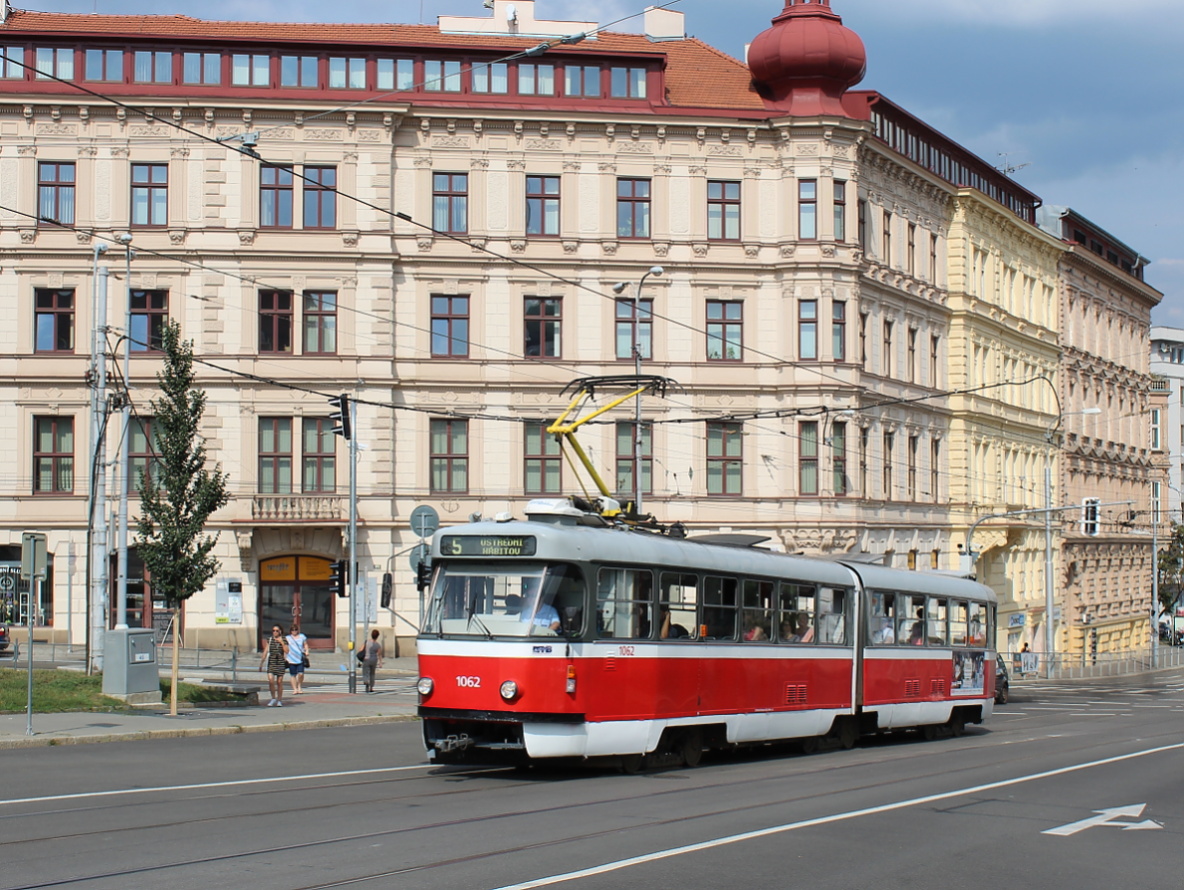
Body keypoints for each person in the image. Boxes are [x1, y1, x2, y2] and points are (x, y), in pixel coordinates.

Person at [259, 624, 288, 707]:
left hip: (280, 662)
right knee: (271, 681)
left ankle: (279, 700)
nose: (275, 632)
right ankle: (273, 698)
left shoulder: (284, 639)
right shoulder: (270, 639)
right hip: (272, 661)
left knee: (279, 682)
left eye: (277, 631)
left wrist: (282, 643)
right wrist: (261, 662)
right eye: (273, 630)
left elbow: (287, 651)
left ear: (280, 631)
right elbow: (265, 651)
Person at [285, 624, 308, 695]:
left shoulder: (302, 637)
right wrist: (284, 656)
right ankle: (295, 689)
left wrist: (307, 651)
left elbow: (305, 644)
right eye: (293, 630)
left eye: (295, 630)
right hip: (291, 658)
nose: (294, 631)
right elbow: (284, 646)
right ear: (290, 631)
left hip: (300, 657)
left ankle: (299, 686)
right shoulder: (288, 638)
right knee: (293, 675)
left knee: (301, 674)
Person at [361, 628, 384, 693]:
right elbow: (379, 654)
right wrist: (380, 663)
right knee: (372, 673)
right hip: (374, 660)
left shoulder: (367, 642)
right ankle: (371, 687)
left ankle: (366, 681)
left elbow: (361, 649)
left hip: (366, 658)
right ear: (377, 636)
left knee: (365, 671)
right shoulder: (378, 645)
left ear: (371, 635)